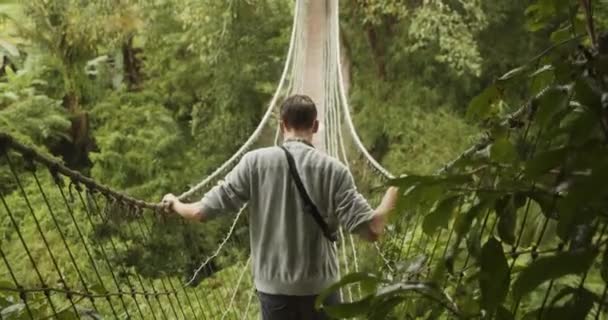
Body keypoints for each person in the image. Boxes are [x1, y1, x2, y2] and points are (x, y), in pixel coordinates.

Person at [162, 94, 399, 320]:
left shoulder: (254, 163)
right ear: (315, 126)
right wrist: (396, 188)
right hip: (322, 291)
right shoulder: (334, 170)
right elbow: (372, 230)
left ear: (281, 125)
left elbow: (200, 212)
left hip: (274, 293)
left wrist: (175, 203)